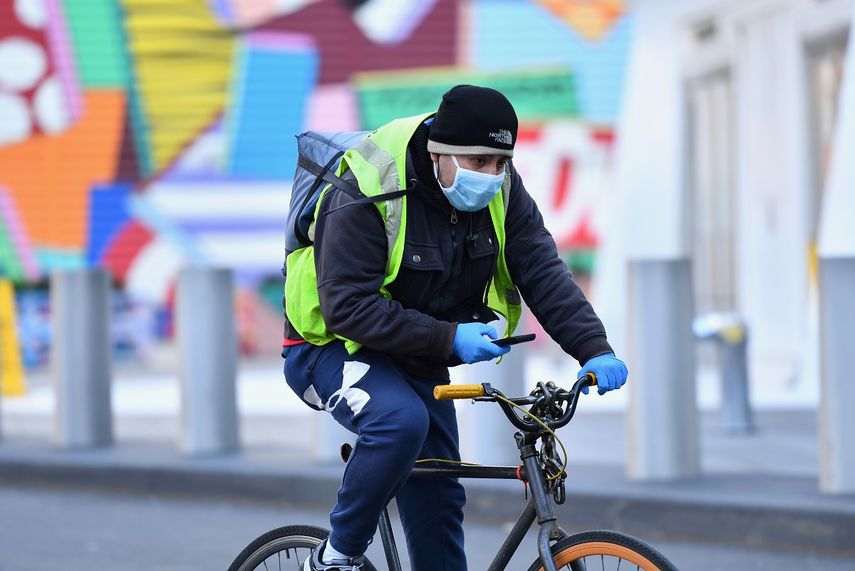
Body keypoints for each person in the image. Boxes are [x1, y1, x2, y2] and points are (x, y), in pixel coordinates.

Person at [281, 84, 628, 571]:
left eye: (500, 162)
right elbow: (348, 307)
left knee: (439, 497)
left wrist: (594, 348)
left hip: (415, 351)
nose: (491, 174)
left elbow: (541, 270)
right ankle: (335, 556)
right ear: (438, 151)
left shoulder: (504, 188)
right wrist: (450, 338)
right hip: (331, 346)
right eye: (478, 161)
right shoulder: (368, 181)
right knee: (400, 423)